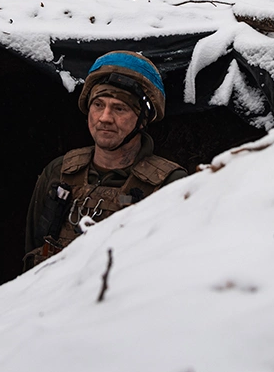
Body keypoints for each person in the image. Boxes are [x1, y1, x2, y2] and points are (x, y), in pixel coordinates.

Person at [24, 51, 187, 270]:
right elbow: (33, 252)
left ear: (142, 120)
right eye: (98, 105)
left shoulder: (169, 184)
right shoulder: (59, 172)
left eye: (119, 108)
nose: (105, 118)